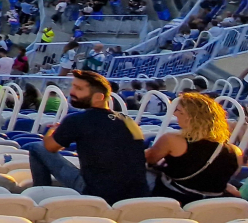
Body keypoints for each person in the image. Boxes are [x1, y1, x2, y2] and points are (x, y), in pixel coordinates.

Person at [27, 70, 148, 204]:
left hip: (96, 193)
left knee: (35, 147)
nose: (72, 92)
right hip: (137, 196)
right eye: (73, 87)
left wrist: (52, 132)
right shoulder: (129, 121)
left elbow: (50, 147)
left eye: (79, 89)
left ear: (99, 97)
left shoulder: (77, 120)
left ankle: (40, 198)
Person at [146, 91, 242, 204]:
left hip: (174, 201)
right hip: (210, 206)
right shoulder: (235, 152)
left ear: (191, 117)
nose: (175, 114)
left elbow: (149, 160)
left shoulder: (171, 140)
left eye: (179, 111)